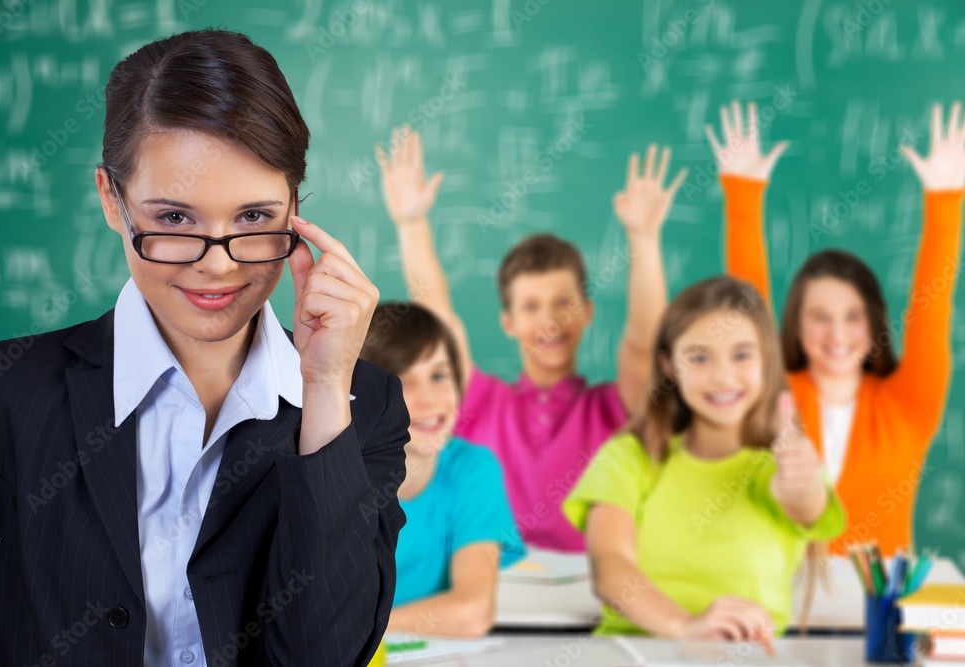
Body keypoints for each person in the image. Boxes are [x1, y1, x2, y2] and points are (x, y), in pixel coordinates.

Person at [0, 29, 407, 667]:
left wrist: (324, 390)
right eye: (174, 219)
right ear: (111, 201)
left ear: (295, 208)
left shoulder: (360, 407)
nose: (219, 268)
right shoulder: (8, 388)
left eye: (254, 219)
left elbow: (323, 654)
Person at [376, 126, 685, 551]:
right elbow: (438, 319)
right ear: (508, 321)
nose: (549, 322)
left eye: (564, 303)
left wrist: (644, 239)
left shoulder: (614, 409)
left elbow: (644, 343)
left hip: (588, 593)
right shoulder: (480, 401)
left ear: (588, 312)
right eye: (531, 306)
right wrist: (411, 224)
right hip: (488, 588)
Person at [709, 100, 965, 555]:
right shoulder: (776, 392)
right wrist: (743, 196)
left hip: (878, 610)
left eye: (852, 317)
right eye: (819, 317)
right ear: (796, 327)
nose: (837, 334)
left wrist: (945, 201)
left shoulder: (908, 405)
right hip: (778, 604)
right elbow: (748, 310)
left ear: (873, 325)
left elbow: (932, 312)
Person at [563, 276, 845, 640]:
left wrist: (800, 486)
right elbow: (610, 566)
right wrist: (684, 626)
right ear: (668, 366)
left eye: (742, 354)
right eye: (698, 357)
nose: (722, 375)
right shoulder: (629, 457)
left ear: (767, 360)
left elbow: (806, 504)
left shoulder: (786, 465)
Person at [359, 303, 525, 637]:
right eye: (401, 382)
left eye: (439, 375)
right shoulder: (329, 477)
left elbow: (472, 612)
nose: (429, 399)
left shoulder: (472, 470)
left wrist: (356, 634)